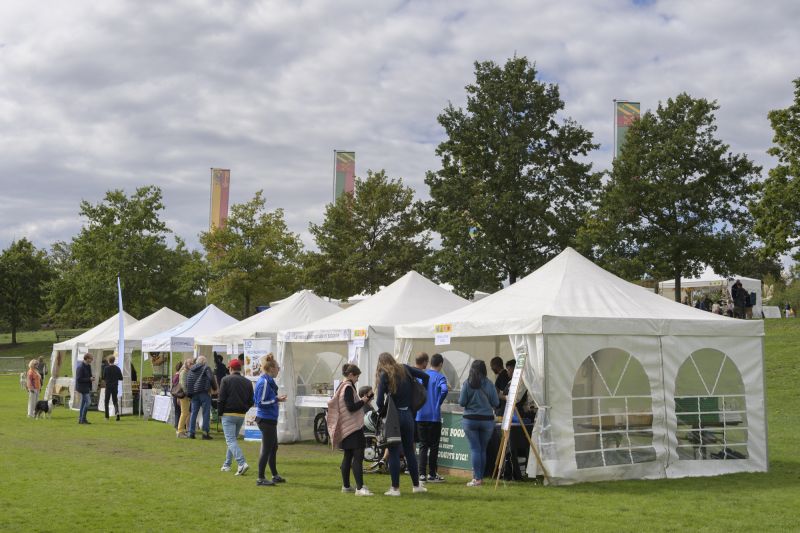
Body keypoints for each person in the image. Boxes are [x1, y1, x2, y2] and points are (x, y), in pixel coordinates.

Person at [376, 351, 429, 496]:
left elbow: (379, 402)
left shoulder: (384, 375)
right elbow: (425, 376)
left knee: (393, 451)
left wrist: (384, 409)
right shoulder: (405, 368)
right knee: (410, 451)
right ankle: (416, 485)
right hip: (408, 414)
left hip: (394, 416)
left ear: (381, 364)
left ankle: (395, 488)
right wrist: (420, 393)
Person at [328, 364, 374, 496]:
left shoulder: (341, 386)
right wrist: (363, 401)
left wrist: (364, 400)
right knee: (358, 457)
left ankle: (346, 486)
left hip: (345, 427)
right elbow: (351, 407)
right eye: (357, 376)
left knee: (347, 456)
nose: (358, 379)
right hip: (352, 427)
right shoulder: (348, 387)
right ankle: (360, 488)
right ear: (350, 375)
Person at [459, 360, 499, 487]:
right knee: (482, 449)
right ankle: (479, 477)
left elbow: (461, 402)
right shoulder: (489, 384)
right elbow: (496, 402)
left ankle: (477, 479)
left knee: (475, 449)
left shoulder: (467, 383)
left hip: (470, 420)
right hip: (487, 421)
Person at [253, 354, 287, 486]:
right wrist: (276, 399)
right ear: (272, 368)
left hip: (269, 419)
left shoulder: (268, 381)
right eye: (278, 367)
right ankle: (260, 478)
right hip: (265, 420)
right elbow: (260, 402)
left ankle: (274, 475)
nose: (279, 370)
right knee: (267, 449)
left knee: (273, 448)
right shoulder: (264, 382)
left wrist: (276, 399)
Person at [218, 358, 254, 476]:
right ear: (240, 369)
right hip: (240, 415)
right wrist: (244, 409)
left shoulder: (225, 380)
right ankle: (226, 464)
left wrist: (220, 413)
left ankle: (242, 463)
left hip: (228, 414)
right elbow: (251, 401)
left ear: (230, 368)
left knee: (230, 440)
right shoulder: (248, 382)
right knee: (232, 440)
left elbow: (221, 399)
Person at [416, 353, 448, 483]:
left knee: (423, 445)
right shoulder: (440, 377)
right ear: (440, 364)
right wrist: (438, 402)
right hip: (434, 416)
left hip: (420, 415)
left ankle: (422, 474)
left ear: (430, 363)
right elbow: (444, 390)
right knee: (434, 446)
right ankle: (432, 474)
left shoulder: (421, 376)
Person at [186, 355, 217, 440]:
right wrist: (214, 388)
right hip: (204, 392)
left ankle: (191, 433)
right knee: (206, 413)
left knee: (193, 413)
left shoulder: (191, 370)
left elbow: (187, 382)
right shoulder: (206, 368)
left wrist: (190, 394)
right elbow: (211, 378)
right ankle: (205, 433)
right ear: (204, 362)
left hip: (194, 394)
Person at [75, 353, 95, 424]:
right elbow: (79, 379)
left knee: (83, 404)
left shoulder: (88, 366)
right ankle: (82, 419)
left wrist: (91, 378)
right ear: (86, 358)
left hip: (87, 387)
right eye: (90, 359)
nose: (92, 360)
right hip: (82, 388)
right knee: (88, 402)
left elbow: (89, 376)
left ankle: (81, 419)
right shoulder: (80, 367)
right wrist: (89, 379)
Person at [102, 354, 123, 421]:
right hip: (115, 386)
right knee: (115, 401)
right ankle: (117, 413)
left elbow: (104, 377)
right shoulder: (117, 368)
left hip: (108, 386)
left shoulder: (106, 368)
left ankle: (107, 417)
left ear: (108, 361)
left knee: (106, 401)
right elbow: (121, 378)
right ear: (114, 361)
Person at [176, 358, 193, 438]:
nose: (191, 365)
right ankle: (180, 431)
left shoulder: (187, 372)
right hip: (184, 395)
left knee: (186, 413)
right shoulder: (183, 372)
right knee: (184, 413)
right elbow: (183, 385)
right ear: (186, 364)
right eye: (189, 363)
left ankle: (182, 430)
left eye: (192, 363)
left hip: (186, 395)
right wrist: (188, 394)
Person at [171, 361, 183, 431]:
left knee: (177, 411)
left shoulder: (175, 375)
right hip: (178, 394)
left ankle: (176, 424)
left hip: (175, 394)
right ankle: (179, 425)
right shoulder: (179, 376)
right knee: (180, 411)